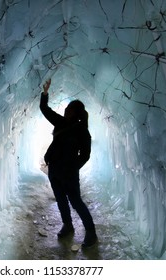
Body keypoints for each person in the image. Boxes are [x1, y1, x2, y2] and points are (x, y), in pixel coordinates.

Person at [40, 79, 98, 247]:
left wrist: (72, 167)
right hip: (54, 170)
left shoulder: (82, 131)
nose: (66, 110)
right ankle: (67, 225)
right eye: (67, 108)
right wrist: (45, 93)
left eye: (70, 109)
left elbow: (85, 155)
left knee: (75, 201)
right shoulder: (60, 122)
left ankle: (91, 232)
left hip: (68, 172)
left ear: (77, 112)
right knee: (60, 199)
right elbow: (45, 109)